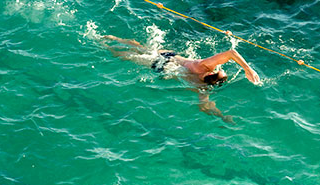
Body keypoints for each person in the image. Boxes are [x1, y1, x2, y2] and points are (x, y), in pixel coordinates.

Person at [101, 34, 260, 121]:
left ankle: (114, 40)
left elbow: (231, 53)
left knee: (141, 48)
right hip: (162, 66)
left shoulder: (204, 65)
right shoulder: (202, 88)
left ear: (212, 73)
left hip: (166, 57)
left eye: (219, 69)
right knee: (128, 56)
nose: (218, 67)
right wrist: (222, 117)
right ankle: (107, 46)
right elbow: (204, 106)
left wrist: (248, 69)